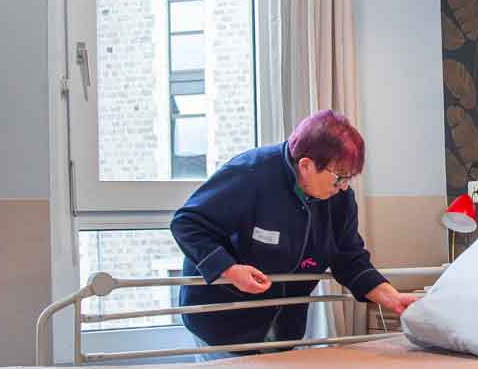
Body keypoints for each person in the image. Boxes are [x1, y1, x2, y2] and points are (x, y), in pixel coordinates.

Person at [170, 110, 415, 351]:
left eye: (349, 178)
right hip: (223, 318)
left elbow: (349, 258)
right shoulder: (251, 174)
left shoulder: (339, 199)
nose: (343, 187)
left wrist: (392, 297)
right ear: (306, 165)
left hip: (284, 327)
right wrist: (229, 270)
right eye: (339, 177)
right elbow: (188, 223)